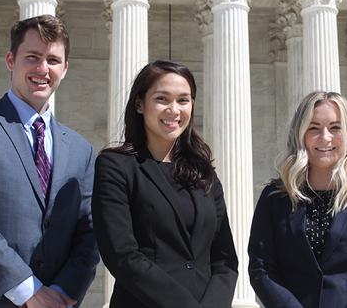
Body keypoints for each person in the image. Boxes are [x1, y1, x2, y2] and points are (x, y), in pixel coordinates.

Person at [0, 15, 99, 308]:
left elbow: (88, 232)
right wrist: (28, 290)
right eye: (32, 57)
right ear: (11, 60)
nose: (42, 69)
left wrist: (61, 293)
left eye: (52, 60)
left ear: (65, 69)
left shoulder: (81, 150)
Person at [92, 60, 238, 308]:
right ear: (139, 104)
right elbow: (122, 254)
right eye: (162, 98)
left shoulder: (203, 172)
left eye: (183, 100)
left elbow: (224, 260)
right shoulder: (115, 166)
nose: (174, 110)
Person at [248, 91, 347, 308]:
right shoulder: (275, 197)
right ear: (299, 134)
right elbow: (262, 267)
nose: (325, 137)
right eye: (314, 128)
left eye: (335, 127)